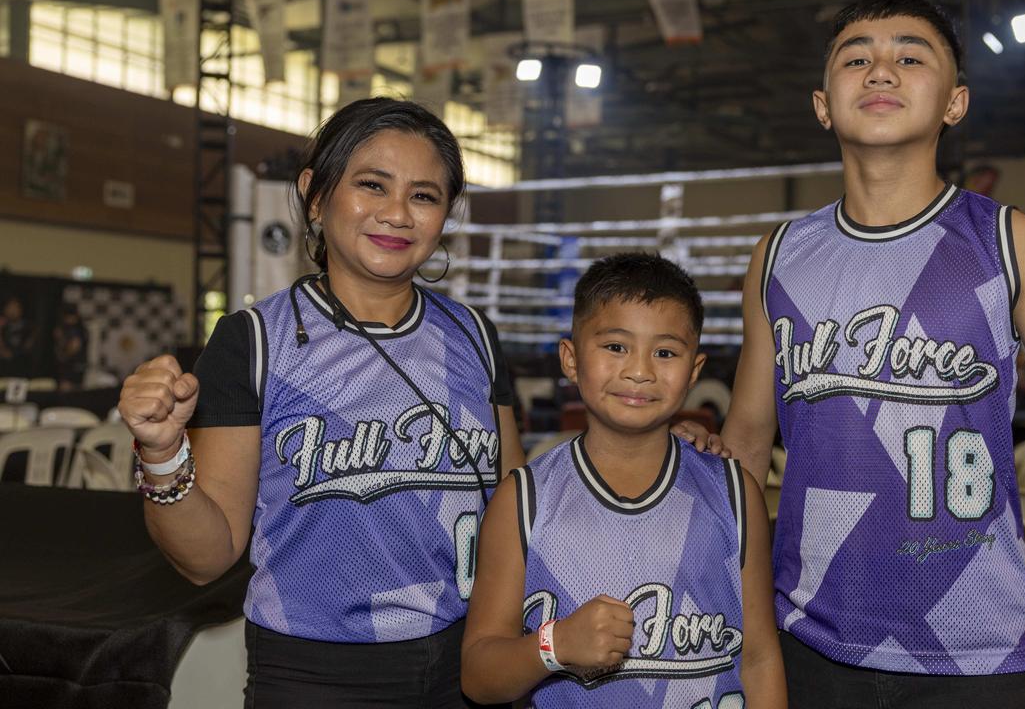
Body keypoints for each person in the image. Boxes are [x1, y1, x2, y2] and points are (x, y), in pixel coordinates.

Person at [718, 0, 1025, 707]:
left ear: (955, 103)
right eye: (855, 56)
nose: (881, 70)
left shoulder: (1010, 243)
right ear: (823, 105)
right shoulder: (778, 256)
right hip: (807, 644)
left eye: (910, 55)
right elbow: (742, 447)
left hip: (972, 650)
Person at [116, 98, 524, 708]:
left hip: (466, 666)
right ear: (314, 193)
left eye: (423, 195)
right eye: (371, 185)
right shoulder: (255, 342)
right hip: (314, 678)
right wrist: (162, 450)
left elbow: (514, 517)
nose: (396, 213)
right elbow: (207, 559)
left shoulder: (475, 337)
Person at [460, 253, 785, 708]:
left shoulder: (732, 491)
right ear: (571, 359)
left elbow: (759, 660)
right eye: (616, 346)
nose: (640, 370)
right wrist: (554, 646)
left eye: (666, 352)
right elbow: (479, 674)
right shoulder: (526, 499)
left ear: (694, 371)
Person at [52, 304, 88, 391]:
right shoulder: (63, 328)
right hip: (64, 368)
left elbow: (73, 348)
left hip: (74, 368)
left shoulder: (78, 330)